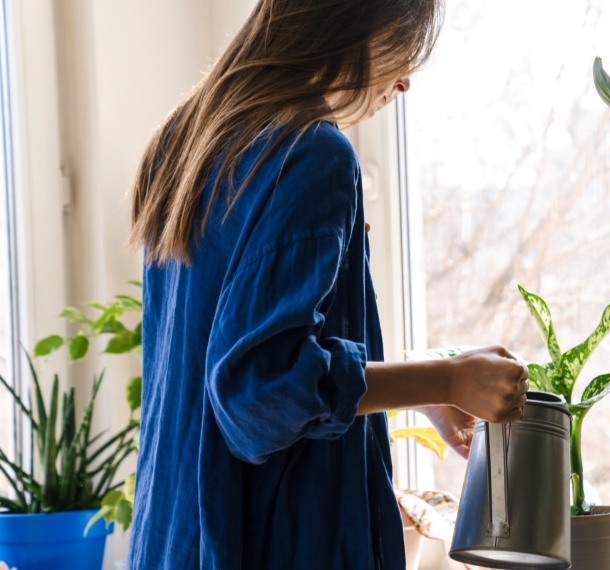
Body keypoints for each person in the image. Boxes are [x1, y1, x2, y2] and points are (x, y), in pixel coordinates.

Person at [126, 1, 528, 568]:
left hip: (173, 539)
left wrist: (428, 389)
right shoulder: (311, 153)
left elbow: (236, 362)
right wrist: (447, 376)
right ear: (352, 22)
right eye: (402, 48)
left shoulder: (186, 140)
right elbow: (260, 393)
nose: (405, 81)